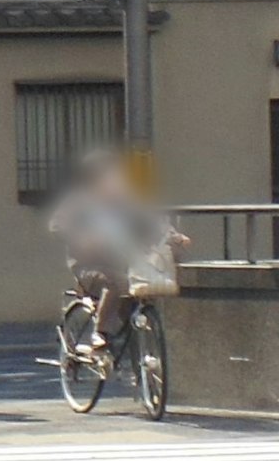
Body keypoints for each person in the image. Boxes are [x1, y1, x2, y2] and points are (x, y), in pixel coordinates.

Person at [47, 151, 182, 362]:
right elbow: (57, 225)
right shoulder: (79, 201)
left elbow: (151, 220)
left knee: (142, 287)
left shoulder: (123, 200)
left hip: (121, 262)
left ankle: (137, 353)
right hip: (88, 265)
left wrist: (174, 236)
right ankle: (99, 334)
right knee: (117, 282)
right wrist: (81, 238)